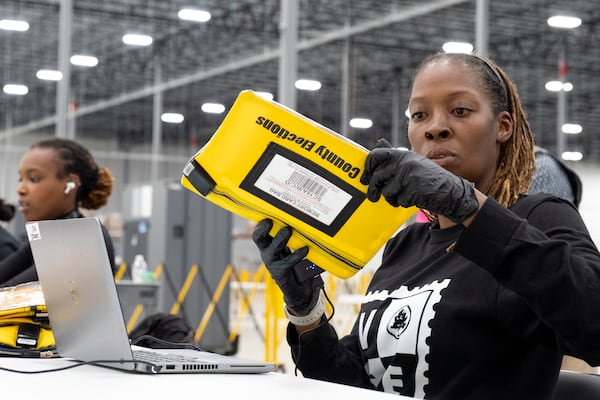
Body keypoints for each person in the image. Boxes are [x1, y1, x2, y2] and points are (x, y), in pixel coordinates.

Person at [251, 52, 600, 399]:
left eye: (460, 110)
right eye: (419, 115)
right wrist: (307, 313)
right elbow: (362, 384)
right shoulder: (406, 245)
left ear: (503, 127)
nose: (435, 127)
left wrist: (468, 206)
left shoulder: (540, 216)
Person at [0, 138, 116, 287]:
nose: (21, 189)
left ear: (70, 184)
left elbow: (11, 294)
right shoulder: (50, 236)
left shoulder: (82, 239)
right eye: (20, 179)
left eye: (33, 179)